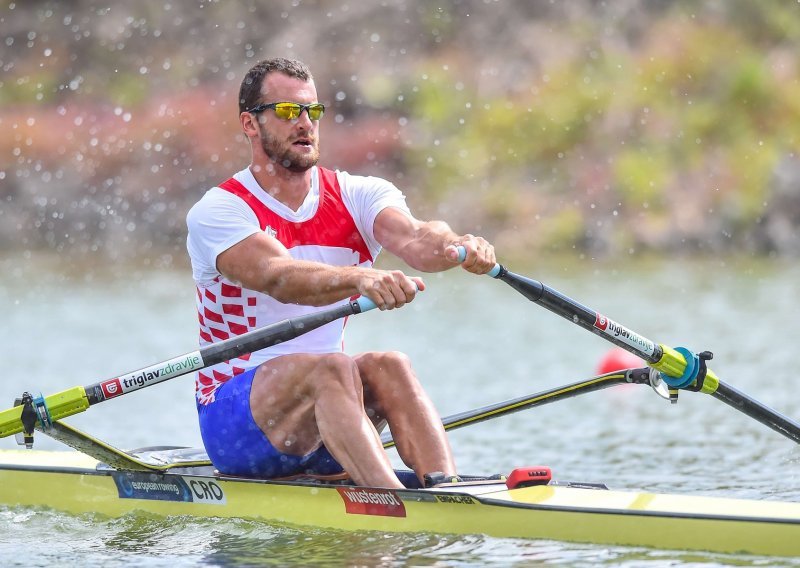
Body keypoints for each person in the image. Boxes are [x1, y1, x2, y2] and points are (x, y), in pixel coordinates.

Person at [186, 57, 496, 489]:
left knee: (390, 364)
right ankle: (392, 503)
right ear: (250, 124)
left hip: (325, 413)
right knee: (330, 367)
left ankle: (447, 491)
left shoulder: (358, 193)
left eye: (312, 111)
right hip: (236, 422)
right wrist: (360, 278)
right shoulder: (221, 210)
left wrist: (458, 246)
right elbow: (279, 277)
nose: (305, 123)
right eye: (288, 111)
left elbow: (416, 239)